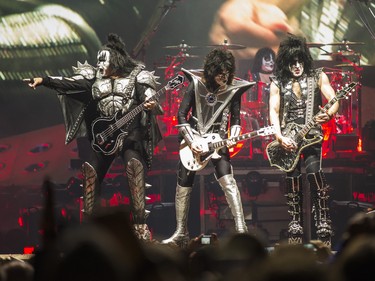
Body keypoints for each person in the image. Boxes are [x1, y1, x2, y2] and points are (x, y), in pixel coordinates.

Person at [24, 33, 163, 241]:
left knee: (134, 167)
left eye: (103, 59)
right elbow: (69, 83)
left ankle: (140, 226)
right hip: (103, 136)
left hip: (130, 135)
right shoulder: (93, 77)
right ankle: (89, 229)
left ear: (115, 59)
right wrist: (44, 80)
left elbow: (149, 96)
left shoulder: (138, 75)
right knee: (90, 172)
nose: (99, 63)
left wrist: (150, 100)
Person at [162, 48, 254, 248]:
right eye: (221, 73)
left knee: (228, 180)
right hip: (193, 141)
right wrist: (192, 139)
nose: (225, 77)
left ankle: (241, 229)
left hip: (218, 142)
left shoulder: (233, 88)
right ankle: (180, 232)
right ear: (212, 70)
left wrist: (235, 135)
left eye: (228, 73)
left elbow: (236, 118)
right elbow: (181, 116)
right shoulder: (196, 84)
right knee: (183, 183)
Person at [268, 35, 339, 247]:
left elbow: (333, 98)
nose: (297, 66)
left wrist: (330, 113)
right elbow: (273, 110)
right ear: (286, 63)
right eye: (292, 63)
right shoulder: (277, 82)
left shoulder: (318, 76)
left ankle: (323, 224)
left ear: (304, 59)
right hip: (289, 138)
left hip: (312, 135)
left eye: (299, 61)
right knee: (293, 179)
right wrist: (279, 137)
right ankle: (295, 225)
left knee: (315, 173)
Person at [244, 47, 276, 155]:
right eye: (267, 59)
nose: (271, 62)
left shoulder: (278, 77)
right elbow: (247, 100)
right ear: (259, 61)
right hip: (255, 113)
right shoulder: (252, 76)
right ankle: (257, 146)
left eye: (272, 59)